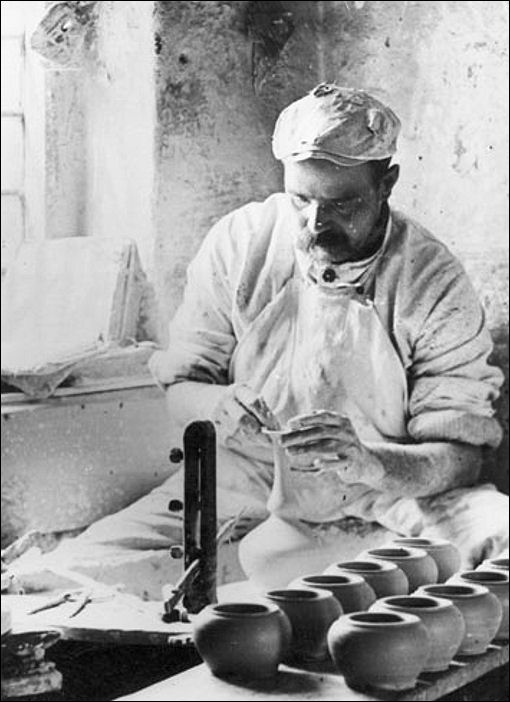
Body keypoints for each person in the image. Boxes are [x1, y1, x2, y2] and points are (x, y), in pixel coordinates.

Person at [21, 84, 508, 594]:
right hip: (247, 477)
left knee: (502, 539)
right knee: (74, 569)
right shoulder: (241, 243)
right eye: (301, 199)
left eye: (342, 204)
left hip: (385, 486)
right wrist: (218, 404)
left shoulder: (432, 279)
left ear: (387, 183)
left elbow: (460, 456)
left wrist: (370, 462)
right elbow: (183, 388)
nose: (316, 224)